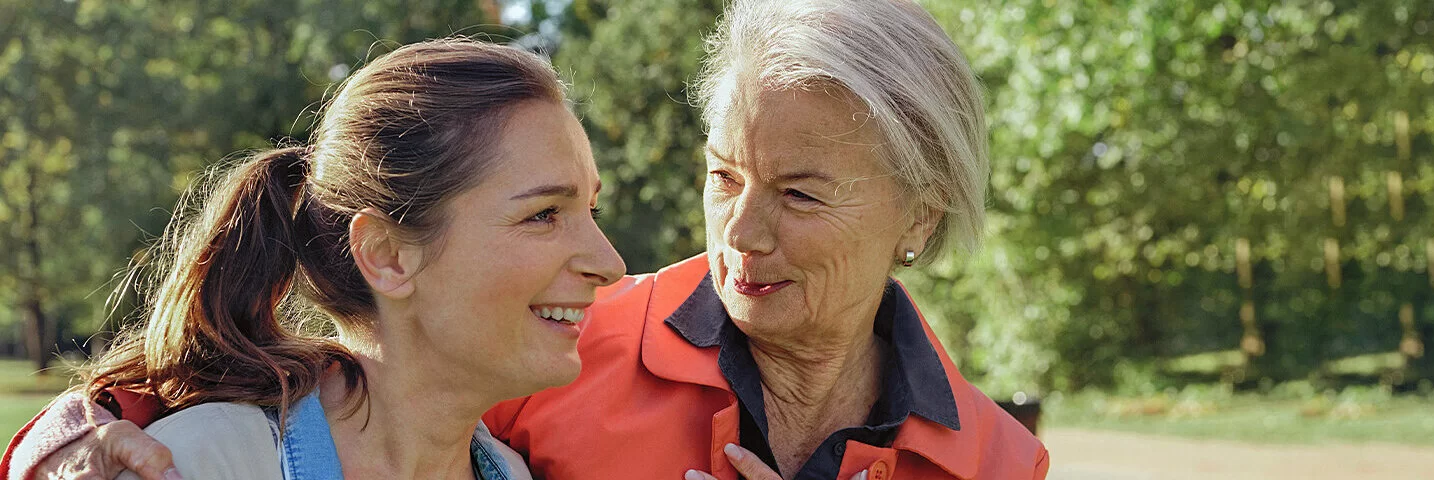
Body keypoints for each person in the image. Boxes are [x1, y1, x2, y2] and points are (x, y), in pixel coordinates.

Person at [6, 1, 1048, 479]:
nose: (740, 230)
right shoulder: (562, 344)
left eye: (802, 195)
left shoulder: (996, 463)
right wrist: (62, 458)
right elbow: (296, 390)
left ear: (920, 214)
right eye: (723, 176)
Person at [5, 38, 625, 480]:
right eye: (544, 214)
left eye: (590, 212)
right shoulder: (202, 464)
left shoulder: (512, 471)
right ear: (386, 256)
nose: (611, 263)